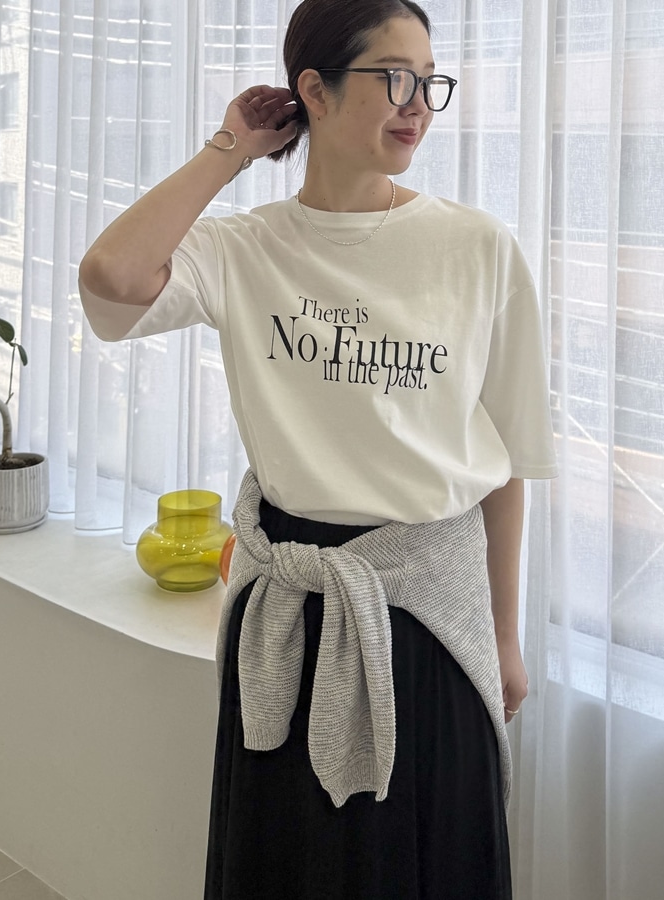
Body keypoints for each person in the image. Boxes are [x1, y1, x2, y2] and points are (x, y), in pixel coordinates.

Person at [79, 0, 557, 897]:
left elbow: (510, 460)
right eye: (394, 76)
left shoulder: (477, 247)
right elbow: (111, 279)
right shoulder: (245, 248)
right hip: (287, 619)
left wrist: (503, 635)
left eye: (430, 82)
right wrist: (230, 148)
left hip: (427, 617)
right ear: (317, 90)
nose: (416, 104)